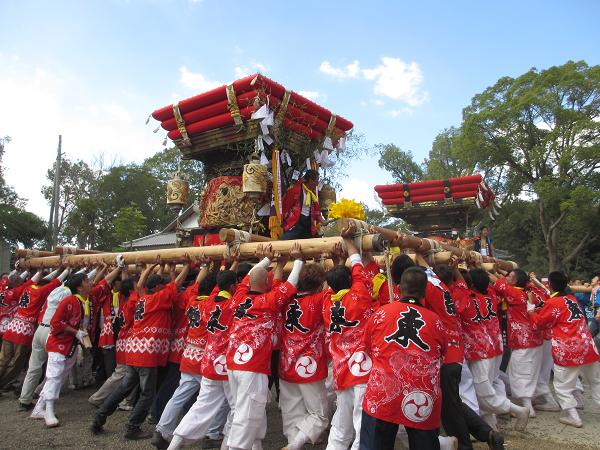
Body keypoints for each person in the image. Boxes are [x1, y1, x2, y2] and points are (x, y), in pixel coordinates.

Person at [91, 258, 190, 439]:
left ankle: (99, 418)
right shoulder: (159, 299)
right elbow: (176, 284)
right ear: (158, 288)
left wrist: (153, 267)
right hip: (147, 354)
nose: (166, 286)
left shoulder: (140, 298)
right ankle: (132, 427)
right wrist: (186, 267)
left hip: (134, 352)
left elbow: (142, 284)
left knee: (124, 388)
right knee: (147, 394)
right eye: (162, 284)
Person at [225, 242, 304, 450]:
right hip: (252, 367)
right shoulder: (267, 302)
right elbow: (291, 284)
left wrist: (268, 260)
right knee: (248, 412)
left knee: (247, 410)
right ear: (267, 282)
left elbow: (248, 277)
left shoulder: (238, 298)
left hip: (233, 364)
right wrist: (299, 259)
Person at [360, 266, 447, 450]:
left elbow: (368, 346)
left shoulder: (381, 314)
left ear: (398, 288)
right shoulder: (435, 321)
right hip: (421, 395)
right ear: (425, 291)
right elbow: (442, 354)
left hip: (383, 392)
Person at [166, 268, 239, 450]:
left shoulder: (206, 305)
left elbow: (217, 290)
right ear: (232, 286)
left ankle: (174, 443)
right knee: (237, 407)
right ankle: (227, 443)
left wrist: (224, 269)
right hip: (226, 364)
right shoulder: (233, 306)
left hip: (208, 363)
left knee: (201, 406)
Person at [151, 266, 217, 449]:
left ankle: (162, 429)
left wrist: (205, 267)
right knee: (214, 398)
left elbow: (195, 285)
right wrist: (224, 266)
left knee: (178, 396)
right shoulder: (211, 304)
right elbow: (215, 288)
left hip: (188, 356)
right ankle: (211, 434)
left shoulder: (191, 302)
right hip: (204, 359)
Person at [322, 223, 373, 450]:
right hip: (362, 370)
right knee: (362, 423)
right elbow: (359, 266)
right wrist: (350, 241)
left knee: (341, 424)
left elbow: (332, 284)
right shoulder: (360, 295)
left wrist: (336, 262)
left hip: (341, 370)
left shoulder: (326, 304)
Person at [528, 271, 600, 427]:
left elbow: (539, 324)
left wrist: (531, 311)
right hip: (587, 345)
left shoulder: (554, 303)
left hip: (568, 348)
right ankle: (578, 405)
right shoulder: (572, 299)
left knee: (562, 385)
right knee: (596, 382)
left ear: (551, 284)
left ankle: (574, 416)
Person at [461, 268, 529, 433]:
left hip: (480, 351)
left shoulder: (467, 299)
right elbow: (497, 285)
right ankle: (491, 425)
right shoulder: (491, 294)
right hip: (495, 347)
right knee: (490, 384)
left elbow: (459, 292)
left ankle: (519, 410)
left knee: (483, 394)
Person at [19, 266, 97, 409]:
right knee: (57, 369)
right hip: (54, 332)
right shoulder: (69, 296)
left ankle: (25, 398)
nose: (89, 282)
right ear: (77, 285)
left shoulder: (56, 289)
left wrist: (68, 269)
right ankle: (44, 396)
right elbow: (82, 283)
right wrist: (92, 269)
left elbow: (66, 279)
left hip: (40, 329)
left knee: (34, 367)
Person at [279, 263, 329, 450]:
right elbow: (333, 287)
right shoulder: (320, 299)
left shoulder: (284, 300)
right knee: (320, 415)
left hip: (287, 363)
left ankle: (293, 443)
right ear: (318, 285)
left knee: (291, 411)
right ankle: (295, 444)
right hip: (310, 365)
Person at [0, 267, 68, 391]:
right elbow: (56, 281)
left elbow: (36, 280)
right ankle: (2, 384)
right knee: (17, 362)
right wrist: (66, 270)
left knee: (3, 359)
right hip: (24, 330)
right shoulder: (40, 292)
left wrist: (47, 271)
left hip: (11, 327)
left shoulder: (26, 288)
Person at [493, 268, 544, 417]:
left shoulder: (514, 293)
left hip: (523, 340)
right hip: (536, 338)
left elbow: (498, 285)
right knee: (531, 372)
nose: (506, 278)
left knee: (519, 373)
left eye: (509, 276)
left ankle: (527, 407)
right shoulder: (531, 292)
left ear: (515, 281)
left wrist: (493, 269)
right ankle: (528, 404)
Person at [280, 169, 322, 240]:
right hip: (296, 222)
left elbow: (316, 211)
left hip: (308, 223)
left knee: (313, 243)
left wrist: (320, 219)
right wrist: (284, 221)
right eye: (317, 180)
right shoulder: (295, 190)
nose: (317, 183)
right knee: (285, 241)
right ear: (311, 180)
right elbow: (285, 207)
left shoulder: (312, 194)